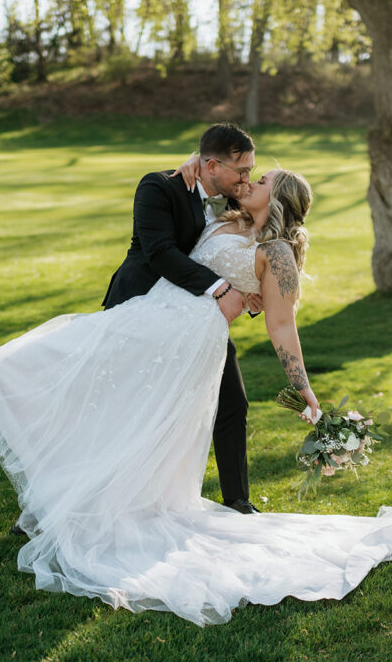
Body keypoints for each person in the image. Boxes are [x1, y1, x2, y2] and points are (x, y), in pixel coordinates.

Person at [0, 166, 392, 626]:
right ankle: (6, 411)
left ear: (279, 201)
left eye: (263, 180)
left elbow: (281, 325)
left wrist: (306, 391)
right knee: (92, 371)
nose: (250, 181)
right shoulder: (222, 217)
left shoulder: (276, 254)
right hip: (154, 311)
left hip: (187, 335)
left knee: (78, 348)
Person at [104, 123, 263, 515]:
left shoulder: (233, 199)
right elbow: (160, 252)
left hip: (198, 320)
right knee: (119, 410)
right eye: (240, 171)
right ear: (211, 165)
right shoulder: (158, 187)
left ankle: (238, 501)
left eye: (250, 171)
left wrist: (250, 291)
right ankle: (54, 505)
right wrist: (222, 289)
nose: (247, 179)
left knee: (232, 403)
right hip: (141, 308)